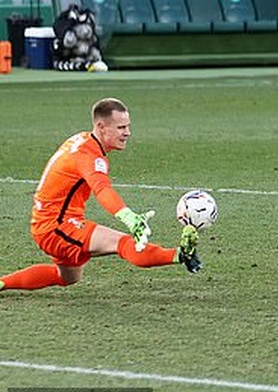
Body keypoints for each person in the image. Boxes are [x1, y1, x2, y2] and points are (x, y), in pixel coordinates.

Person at [0, 98, 201, 292]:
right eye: (121, 127)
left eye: (128, 126)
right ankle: (179, 255)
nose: (127, 133)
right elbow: (102, 189)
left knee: (68, 277)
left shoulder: (83, 140)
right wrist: (129, 218)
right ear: (101, 126)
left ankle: (2, 283)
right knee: (121, 243)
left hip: (49, 222)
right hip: (57, 226)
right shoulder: (89, 156)